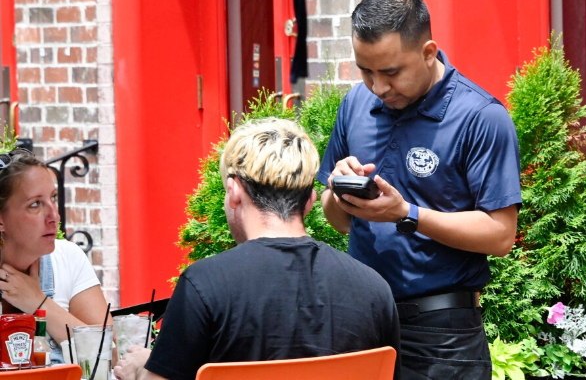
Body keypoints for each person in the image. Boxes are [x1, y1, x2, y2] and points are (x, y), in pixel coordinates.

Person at [317, 0, 522, 379]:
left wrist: (406, 214)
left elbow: (500, 236)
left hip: (442, 335)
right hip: (363, 322)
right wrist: (340, 190)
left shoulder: (480, 117)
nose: (378, 87)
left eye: (391, 72)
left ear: (429, 52)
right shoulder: (354, 105)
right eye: (365, 71)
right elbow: (341, 222)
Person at [114, 118, 400, 380]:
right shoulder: (374, 289)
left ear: (234, 191)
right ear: (311, 200)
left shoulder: (204, 285)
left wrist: (143, 368)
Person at [0, 147, 111, 364]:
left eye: (53, 198)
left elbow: (109, 355)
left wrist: (39, 303)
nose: (54, 215)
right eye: (35, 204)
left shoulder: (68, 258)